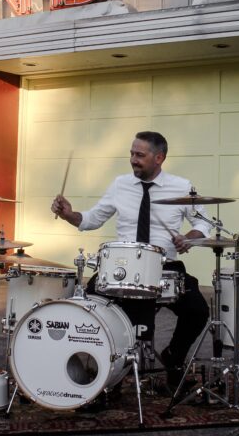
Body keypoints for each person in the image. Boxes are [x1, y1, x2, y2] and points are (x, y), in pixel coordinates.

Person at [50, 130, 210, 388]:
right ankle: (102, 371)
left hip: (164, 265)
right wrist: (70, 214)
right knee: (90, 307)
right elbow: (92, 219)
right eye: (132, 154)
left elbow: (203, 222)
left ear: (159, 157)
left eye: (140, 155)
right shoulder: (120, 184)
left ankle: (174, 357)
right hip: (121, 265)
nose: (133, 159)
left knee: (198, 311)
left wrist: (189, 238)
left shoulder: (181, 186)